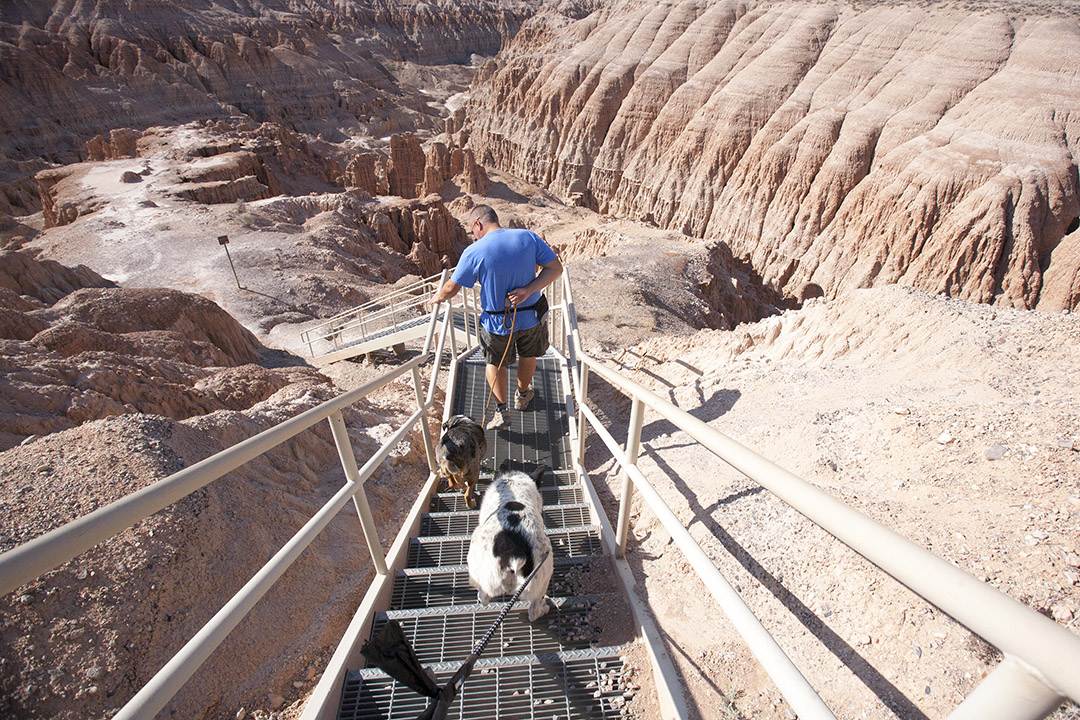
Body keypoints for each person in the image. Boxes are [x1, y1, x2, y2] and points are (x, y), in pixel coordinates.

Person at [431, 204, 563, 430]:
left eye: (473, 229)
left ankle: (502, 411)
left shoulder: (474, 251)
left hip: (496, 324)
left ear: (478, 224)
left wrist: (437, 298)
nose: (474, 234)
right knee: (528, 355)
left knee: (494, 363)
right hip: (531, 317)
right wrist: (528, 290)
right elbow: (555, 268)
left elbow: (452, 287)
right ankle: (522, 396)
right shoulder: (528, 237)